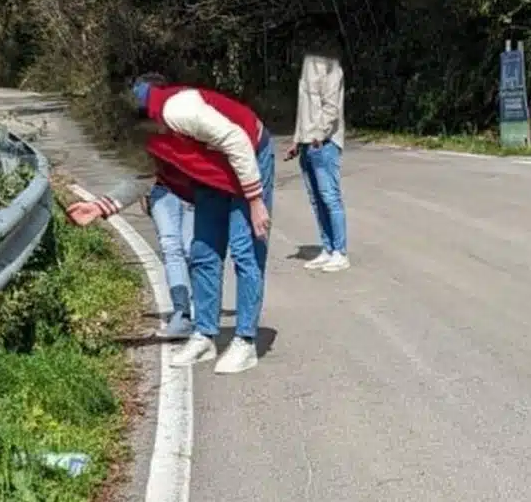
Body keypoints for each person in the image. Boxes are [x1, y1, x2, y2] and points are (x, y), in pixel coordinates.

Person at [67, 73, 275, 374]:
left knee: (245, 250)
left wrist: (256, 201)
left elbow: (238, 142)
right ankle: (204, 334)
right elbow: (147, 176)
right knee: (203, 250)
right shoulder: (152, 134)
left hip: (250, 157)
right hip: (212, 173)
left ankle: (245, 340)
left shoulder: (180, 110)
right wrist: (100, 207)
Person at [286, 50, 348, 272]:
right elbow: (303, 110)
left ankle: (340, 252)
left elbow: (331, 108)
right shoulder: (307, 64)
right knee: (316, 200)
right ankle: (328, 248)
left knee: (330, 197)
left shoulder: (331, 67)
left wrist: (318, 135)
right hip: (307, 142)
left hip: (324, 142)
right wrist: (297, 139)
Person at [146, 173, 195, 339]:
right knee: (170, 248)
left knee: (191, 249)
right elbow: (143, 159)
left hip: (195, 190)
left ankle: (200, 309)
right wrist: (144, 190)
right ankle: (182, 313)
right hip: (162, 189)